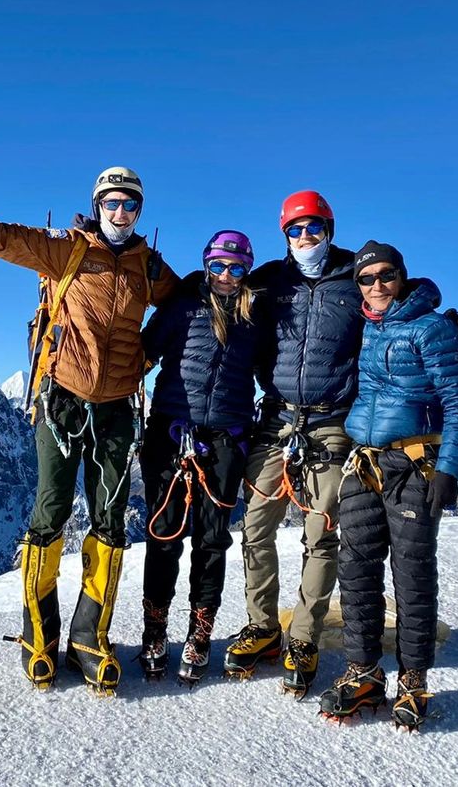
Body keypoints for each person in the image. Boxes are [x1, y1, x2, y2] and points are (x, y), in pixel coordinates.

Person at [0, 158, 178, 695]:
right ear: (98, 204)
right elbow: (0, 239)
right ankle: (41, 636)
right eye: (112, 202)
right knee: (51, 511)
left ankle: (90, 639)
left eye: (131, 204)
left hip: (118, 409)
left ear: (140, 211)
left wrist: (147, 353)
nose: (121, 212)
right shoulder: (68, 249)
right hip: (62, 400)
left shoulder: (148, 267)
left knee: (108, 517)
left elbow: (182, 308)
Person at [224, 191, 458, 699]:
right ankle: (262, 625)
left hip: (333, 422)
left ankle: (304, 637)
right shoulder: (269, 281)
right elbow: (219, 294)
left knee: (322, 532)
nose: (305, 237)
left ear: (329, 228)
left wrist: (446, 325)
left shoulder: (356, 275)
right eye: (295, 230)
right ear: (284, 234)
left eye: (313, 227)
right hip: (276, 419)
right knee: (255, 527)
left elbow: (396, 304)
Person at [317, 240, 458, 730]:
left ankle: (413, 680)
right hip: (364, 462)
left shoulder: (431, 328)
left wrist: (450, 467)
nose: (377, 285)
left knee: (411, 575)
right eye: (366, 279)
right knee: (357, 570)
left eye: (386, 275)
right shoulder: (366, 326)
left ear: (402, 276)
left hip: (414, 465)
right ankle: (363, 672)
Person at [138, 231, 259, 685]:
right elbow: (142, 353)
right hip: (171, 432)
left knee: (212, 541)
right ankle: (156, 630)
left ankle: (200, 632)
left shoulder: (256, 315)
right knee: (163, 534)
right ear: (207, 265)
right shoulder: (182, 305)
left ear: (247, 270)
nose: (226, 276)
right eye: (219, 266)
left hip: (226, 438)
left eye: (236, 268)